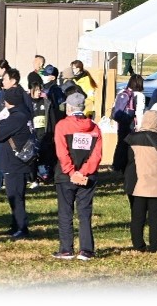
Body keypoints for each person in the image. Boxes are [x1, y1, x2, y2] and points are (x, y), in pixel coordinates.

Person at [51, 90, 102, 260]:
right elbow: (97, 155)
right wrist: (83, 172)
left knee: (65, 212)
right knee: (84, 212)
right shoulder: (95, 128)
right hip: (88, 176)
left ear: (70, 108)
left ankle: (66, 249)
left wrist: (72, 172)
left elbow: (62, 152)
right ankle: (86, 250)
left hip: (66, 176)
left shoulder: (62, 126)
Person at [123, 109, 157, 253]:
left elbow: (121, 160)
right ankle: (154, 246)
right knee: (156, 218)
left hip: (137, 184)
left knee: (137, 217)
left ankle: (138, 245)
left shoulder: (131, 139)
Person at [0, 66, 36, 239]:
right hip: (19, 161)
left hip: (15, 162)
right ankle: (16, 224)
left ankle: (21, 227)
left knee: (15, 195)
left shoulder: (16, 117)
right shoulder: (23, 113)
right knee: (16, 195)